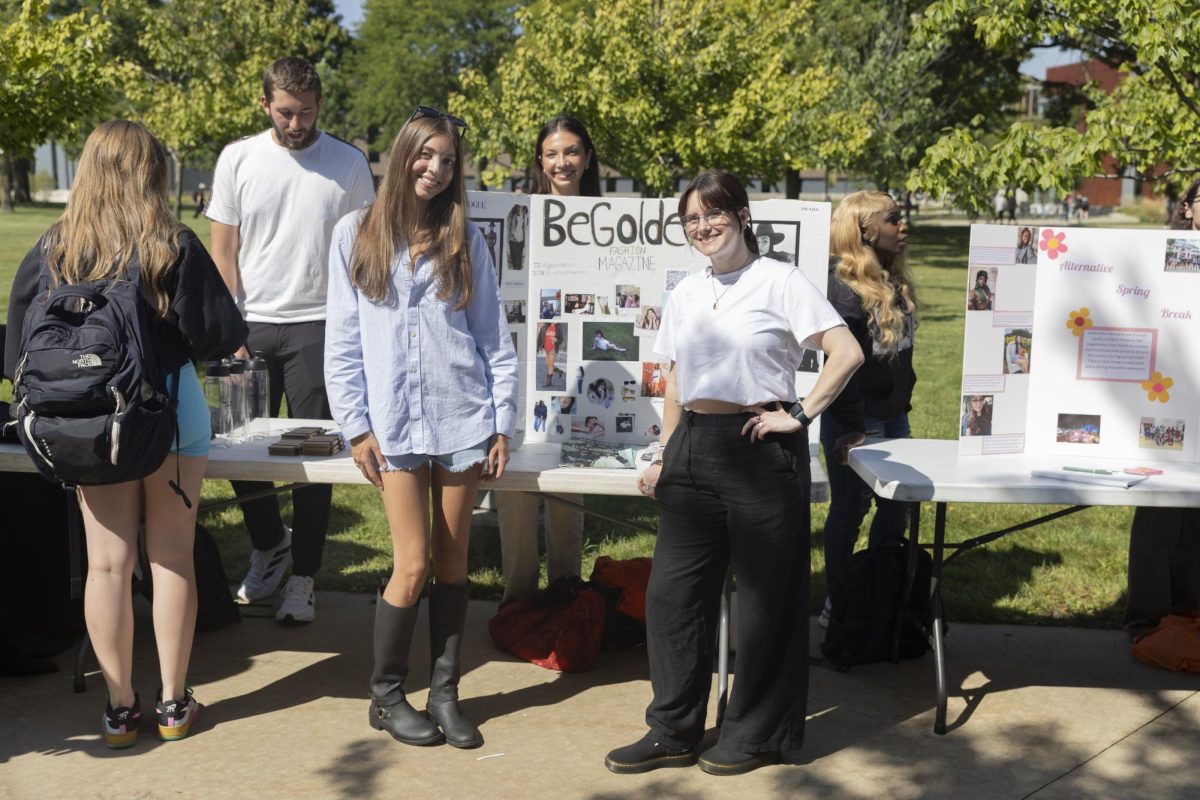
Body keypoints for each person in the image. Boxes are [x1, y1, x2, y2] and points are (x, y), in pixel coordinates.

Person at [605, 170, 863, 776]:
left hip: (757, 450)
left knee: (764, 602)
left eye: (713, 213)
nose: (702, 227)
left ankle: (757, 734)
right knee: (672, 599)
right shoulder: (687, 292)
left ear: (742, 215)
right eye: (691, 219)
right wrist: (665, 455)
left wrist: (799, 414)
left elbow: (845, 351)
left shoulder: (780, 280)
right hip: (692, 447)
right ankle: (672, 729)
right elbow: (672, 380)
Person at [4, 121, 245, 746]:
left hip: (88, 423)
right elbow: (220, 335)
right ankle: (171, 703)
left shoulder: (55, 247)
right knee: (171, 556)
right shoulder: (170, 243)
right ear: (152, 172)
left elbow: (17, 354)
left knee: (106, 566)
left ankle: (118, 709)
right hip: (169, 411)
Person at [324, 106, 518, 749]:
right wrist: (356, 426)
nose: (435, 170)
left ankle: (445, 693)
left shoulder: (466, 237)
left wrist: (502, 422)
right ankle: (386, 697)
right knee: (410, 563)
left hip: (464, 418)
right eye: (425, 155)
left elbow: (493, 337)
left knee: (455, 560)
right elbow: (343, 343)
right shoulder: (356, 234)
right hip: (396, 427)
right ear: (404, 152)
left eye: (448, 160)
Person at [207, 57, 376, 623]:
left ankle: (303, 576)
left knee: (315, 456)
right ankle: (269, 546)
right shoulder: (238, 158)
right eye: (285, 112)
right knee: (238, 449)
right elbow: (223, 252)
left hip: (319, 326)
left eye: (305, 112)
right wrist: (228, 328)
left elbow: (363, 255)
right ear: (265, 106)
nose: (296, 123)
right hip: (249, 325)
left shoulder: (349, 164)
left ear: (320, 106)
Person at [495, 115, 598, 605]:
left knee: (566, 495)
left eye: (572, 151)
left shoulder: (606, 217)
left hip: (578, 371)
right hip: (517, 364)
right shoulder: (521, 214)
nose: (563, 162)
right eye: (553, 153)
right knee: (513, 488)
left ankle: (564, 598)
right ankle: (516, 602)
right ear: (540, 160)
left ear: (587, 157)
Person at [818, 190, 919, 626]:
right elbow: (840, 368)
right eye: (893, 219)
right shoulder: (842, 287)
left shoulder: (891, 279)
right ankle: (839, 602)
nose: (903, 226)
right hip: (854, 421)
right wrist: (853, 426)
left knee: (897, 506)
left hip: (893, 415)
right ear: (865, 229)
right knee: (850, 509)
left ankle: (876, 591)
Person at [1124, 177, 1200, 640]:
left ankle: (1189, 611)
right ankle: (1147, 619)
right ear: (1188, 207)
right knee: (1158, 507)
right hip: (1166, 398)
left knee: (1196, 512)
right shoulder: (1165, 256)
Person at [538, 321, 564, 386]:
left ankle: (548, 382)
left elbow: (561, 339)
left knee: (550, 365)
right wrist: (537, 348)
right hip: (546, 348)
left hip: (553, 348)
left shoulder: (558, 328)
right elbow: (539, 338)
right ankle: (559, 371)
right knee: (548, 364)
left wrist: (557, 340)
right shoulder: (544, 327)